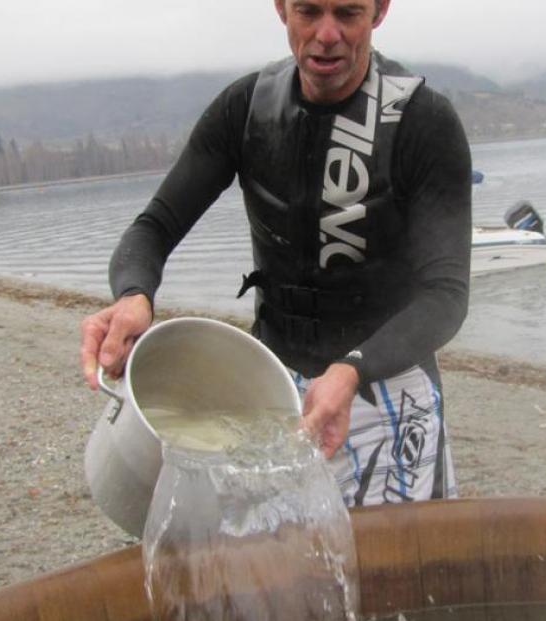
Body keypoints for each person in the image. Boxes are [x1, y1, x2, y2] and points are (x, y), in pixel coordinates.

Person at [79, 0, 472, 507]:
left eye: (348, 13)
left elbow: (446, 296)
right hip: (271, 389)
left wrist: (351, 369)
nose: (326, 34)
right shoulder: (245, 109)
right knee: (270, 573)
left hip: (388, 386)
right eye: (309, 11)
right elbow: (154, 228)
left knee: (395, 575)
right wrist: (134, 296)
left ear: (379, 12)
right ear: (282, 8)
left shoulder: (424, 121)